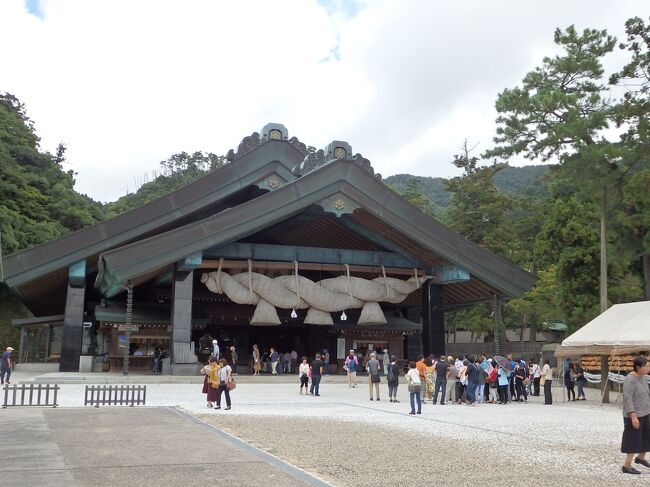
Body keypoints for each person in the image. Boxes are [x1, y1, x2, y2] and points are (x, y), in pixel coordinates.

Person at [621, 355, 650, 475]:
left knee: (647, 436)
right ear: (638, 367)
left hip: (646, 412)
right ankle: (626, 466)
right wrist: (633, 416)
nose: (648, 368)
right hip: (634, 415)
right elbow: (627, 399)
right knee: (633, 439)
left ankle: (641, 458)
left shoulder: (643, 377)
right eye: (646, 366)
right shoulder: (630, 379)